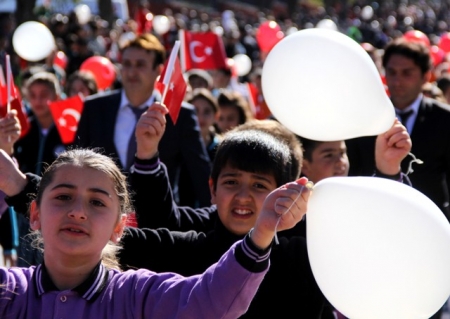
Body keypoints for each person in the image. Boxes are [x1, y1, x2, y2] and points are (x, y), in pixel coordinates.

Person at [0, 147, 309, 318]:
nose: (78, 212)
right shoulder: (9, 292)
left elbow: (210, 303)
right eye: (63, 196)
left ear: (119, 228)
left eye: (97, 202)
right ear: (35, 214)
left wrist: (263, 230)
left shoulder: (138, 295)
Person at [76, 33, 212, 206]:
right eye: (126, 64)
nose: (132, 72)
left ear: (158, 70)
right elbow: (77, 163)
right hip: (100, 218)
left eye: (140, 65)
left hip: (156, 223)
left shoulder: (180, 115)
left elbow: (200, 175)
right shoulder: (94, 108)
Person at [346, 38, 450, 224]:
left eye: (406, 73)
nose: (397, 81)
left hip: (430, 221)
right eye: (392, 72)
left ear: (426, 76)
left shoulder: (444, 118)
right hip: (376, 219)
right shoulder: (365, 119)